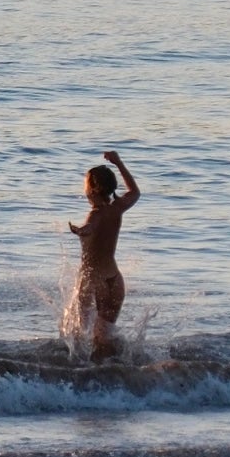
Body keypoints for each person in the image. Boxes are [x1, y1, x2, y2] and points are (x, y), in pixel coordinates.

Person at [68, 150, 140, 357]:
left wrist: (81, 231)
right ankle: (120, 372)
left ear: (94, 189)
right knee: (103, 337)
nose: (84, 190)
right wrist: (118, 163)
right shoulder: (117, 208)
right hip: (115, 282)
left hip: (94, 282)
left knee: (82, 337)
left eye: (85, 185)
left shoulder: (95, 214)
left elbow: (91, 226)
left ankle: (92, 380)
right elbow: (135, 192)